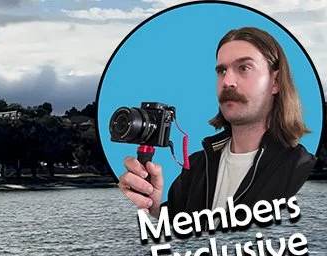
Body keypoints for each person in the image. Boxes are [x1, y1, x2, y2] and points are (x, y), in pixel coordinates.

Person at [118, 26, 316, 218]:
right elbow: (177, 240)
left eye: (244, 68)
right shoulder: (196, 166)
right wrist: (152, 210)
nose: (227, 81)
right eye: (221, 70)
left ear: (276, 82)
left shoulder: (300, 170)